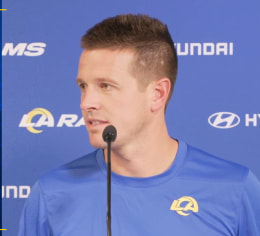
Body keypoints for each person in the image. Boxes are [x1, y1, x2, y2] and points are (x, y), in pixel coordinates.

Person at [18, 14, 260, 236]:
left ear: (157, 94)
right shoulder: (50, 193)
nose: (87, 103)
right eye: (83, 86)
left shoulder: (235, 188)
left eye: (106, 86)